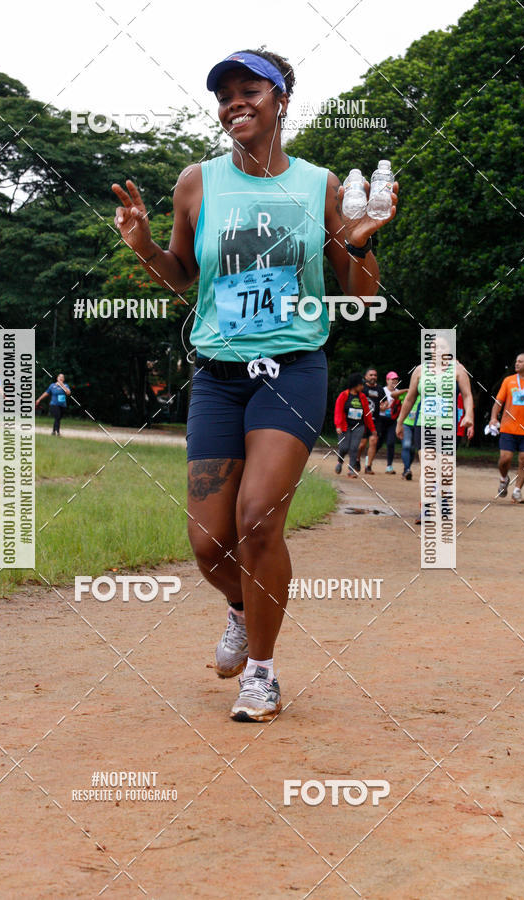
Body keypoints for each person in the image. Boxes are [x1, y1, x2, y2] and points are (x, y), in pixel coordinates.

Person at [112, 48, 398, 721]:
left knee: (257, 520)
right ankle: (243, 608)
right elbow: (182, 275)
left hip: (292, 368)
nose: (235, 103)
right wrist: (146, 249)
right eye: (224, 95)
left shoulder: (321, 186)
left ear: (281, 101)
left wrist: (359, 246)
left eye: (250, 90)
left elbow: (358, 294)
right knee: (210, 544)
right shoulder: (196, 183)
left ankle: (263, 674)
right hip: (217, 374)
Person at [397, 338, 473, 523]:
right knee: (429, 467)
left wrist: (469, 416)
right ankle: (427, 508)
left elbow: (468, 395)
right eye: (434, 346)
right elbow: (409, 398)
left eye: (443, 346)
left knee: (445, 471)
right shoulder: (420, 370)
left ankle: (444, 501)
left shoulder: (458, 371)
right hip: (424, 424)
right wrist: (400, 421)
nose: (438, 350)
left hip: (447, 426)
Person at [489, 352, 524, 504]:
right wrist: (493, 417)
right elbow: (498, 402)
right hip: (508, 427)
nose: (517, 363)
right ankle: (504, 478)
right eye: (516, 361)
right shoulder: (509, 381)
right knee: (505, 458)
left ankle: (517, 491)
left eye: (521, 361)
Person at [334, 373, 376, 477]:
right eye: (361, 385)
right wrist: (338, 425)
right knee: (344, 448)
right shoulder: (343, 395)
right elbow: (338, 411)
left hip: (359, 426)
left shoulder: (362, 397)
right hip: (345, 426)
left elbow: (367, 414)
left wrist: (372, 428)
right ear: (355, 385)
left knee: (354, 448)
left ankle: (351, 470)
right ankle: (340, 461)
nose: (363, 387)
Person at [376, 370, 407, 473]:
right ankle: (369, 458)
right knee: (378, 442)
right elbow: (377, 406)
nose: (394, 381)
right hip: (381, 419)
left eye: (396, 379)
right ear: (387, 380)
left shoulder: (399, 392)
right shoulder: (382, 390)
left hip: (393, 420)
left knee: (391, 442)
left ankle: (389, 466)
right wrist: (382, 408)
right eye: (392, 379)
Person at [355, 367, 384, 473]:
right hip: (362, 420)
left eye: (375, 375)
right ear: (366, 377)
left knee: (373, 441)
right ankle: (357, 459)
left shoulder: (380, 389)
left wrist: (384, 406)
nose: (373, 377)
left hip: (375, 420)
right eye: (371, 375)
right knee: (362, 444)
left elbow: (384, 402)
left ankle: (368, 467)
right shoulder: (361, 388)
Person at [400, 395, 420, 480]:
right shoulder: (408, 394)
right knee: (406, 445)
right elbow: (393, 395)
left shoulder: (424, 393)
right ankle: (407, 469)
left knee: (412, 449)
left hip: (418, 425)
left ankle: (406, 468)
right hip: (406, 424)